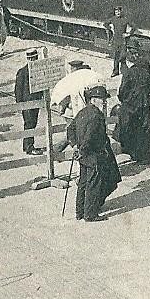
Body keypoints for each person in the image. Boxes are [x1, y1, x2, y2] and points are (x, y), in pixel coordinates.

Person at [66, 85, 121, 222]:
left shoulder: (82, 112)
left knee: (83, 182)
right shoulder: (97, 116)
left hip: (83, 155)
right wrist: (83, 149)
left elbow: (70, 129)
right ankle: (90, 214)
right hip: (93, 155)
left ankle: (79, 212)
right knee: (93, 184)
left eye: (104, 99)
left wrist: (74, 146)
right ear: (92, 100)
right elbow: (89, 137)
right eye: (101, 99)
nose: (104, 102)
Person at [115, 47, 150, 163]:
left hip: (131, 105)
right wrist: (144, 93)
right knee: (145, 129)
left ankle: (133, 153)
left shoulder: (129, 73)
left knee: (131, 128)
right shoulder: (145, 71)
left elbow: (122, 91)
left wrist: (124, 99)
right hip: (144, 103)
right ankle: (147, 155)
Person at [13, 47, 47, 155]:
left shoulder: (38, 71)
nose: (34, 61)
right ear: (29, 59)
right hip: (27, 103)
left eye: (35, 58)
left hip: (35, 102)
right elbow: (18, 90)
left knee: (32, 123)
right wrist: (19, 105)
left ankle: (27, 145)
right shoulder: (22, 72)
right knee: (29, 124)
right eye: (32, 59)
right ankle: (29, 147)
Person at [104, 6, 134, 77]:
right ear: (115, 12)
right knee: (116, 57)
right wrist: (110, 28)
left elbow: (134, 26)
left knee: (123, 56)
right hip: (115, 40)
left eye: (119, 11)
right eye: (116, 11)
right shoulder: (113, 19)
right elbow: (105, 24)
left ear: (121, 12)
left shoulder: (125, 19)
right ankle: (115, 71)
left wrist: (128, 34)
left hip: (123, 41)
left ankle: (124, 71)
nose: (118, 13)